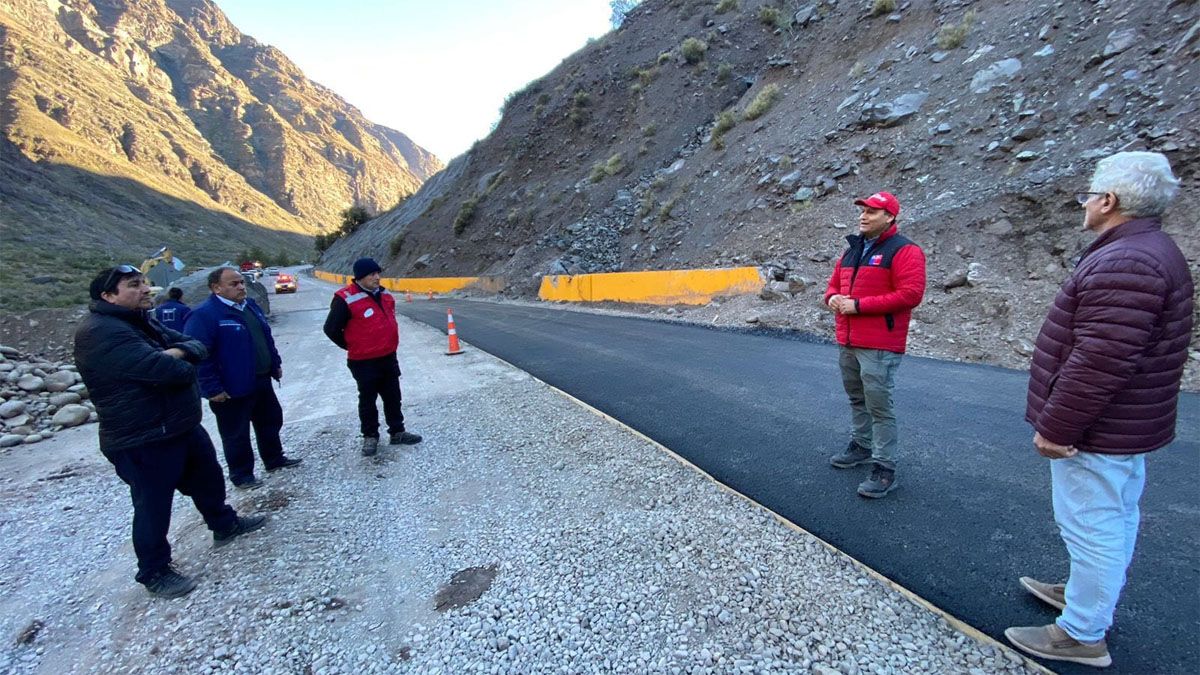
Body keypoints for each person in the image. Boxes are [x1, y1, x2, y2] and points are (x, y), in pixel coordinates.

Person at [1006, 152, 1193, 668]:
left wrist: (1056, 425)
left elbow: (1100, 360)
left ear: (1109, 201)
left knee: (1093, 524)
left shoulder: (1128, 261)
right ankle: (1086, 596)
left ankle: (1081, 633)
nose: (1085, 204)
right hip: (1123, 422)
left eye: (1089, 194)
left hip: (1099, 429)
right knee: (1115, 516)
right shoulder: (1148, 251)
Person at [74, 265, 266, 598]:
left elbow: (197, 347)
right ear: (108, 296)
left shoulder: (141, 321)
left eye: (144, 283)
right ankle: (154, 571)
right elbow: (169, 371)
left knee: (208, 479)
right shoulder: (101, 332)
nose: (146, 289)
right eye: (134, 285)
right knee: (152, 506)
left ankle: (224, 524)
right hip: (142, 436)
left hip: (179, 426)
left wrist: (177, 352)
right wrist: (176, 356)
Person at [823, 191, 927, 498]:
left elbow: (911, 295)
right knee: (857, 398)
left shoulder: (905, 251)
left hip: (880, 343)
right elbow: (832, 287)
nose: (863, 216)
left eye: (872, 211)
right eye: (862, 210)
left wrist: (858, 305)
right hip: (848, 339)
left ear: (890, 217)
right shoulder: (851, 251)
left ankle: (885, 468)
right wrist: (833, 299)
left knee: (880, 406)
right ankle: (862, 445)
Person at [184, 267, 301, 489]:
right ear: (216, 288)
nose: (240, 287)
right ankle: (242, 474)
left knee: (270, 420)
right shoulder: (204, 315)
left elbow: (265, 338)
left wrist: (274, 364)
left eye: (241, 283)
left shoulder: (250, 307)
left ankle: (274, 459)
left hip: (261, 379)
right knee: (235, 433)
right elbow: (199, 355)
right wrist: (211, 388)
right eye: (234, 284)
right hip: (230, 388)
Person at [323, 257, 422, 456]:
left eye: (378, 273)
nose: (377, 278)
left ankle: (397, 431)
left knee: (393, 395)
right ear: (360, 277)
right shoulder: (345, 298)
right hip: (363, 361)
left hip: (387, 356)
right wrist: (352, 345)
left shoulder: (385, 295)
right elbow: (331, 329)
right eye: (372, 274)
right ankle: (370, 436)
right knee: (368, 399)